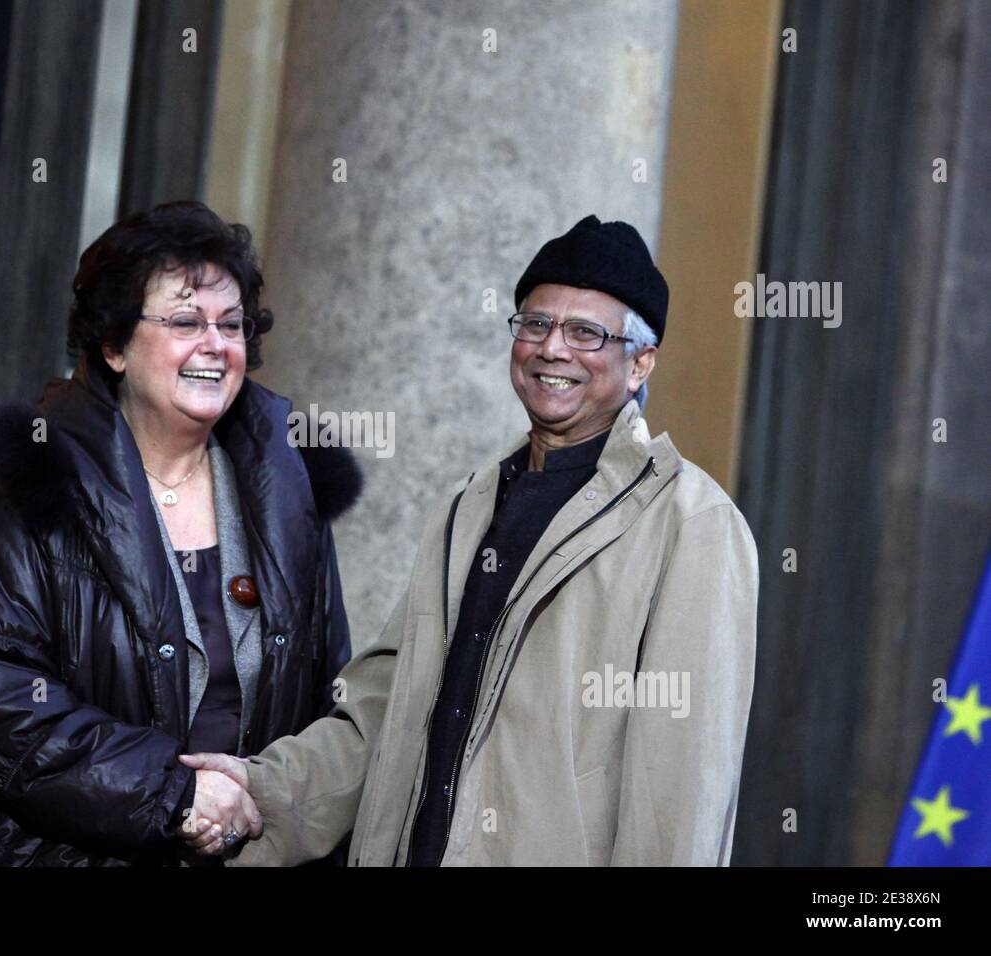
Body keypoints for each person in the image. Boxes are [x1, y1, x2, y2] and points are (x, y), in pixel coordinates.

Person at [185, 214, 759, 866]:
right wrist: (258, 790)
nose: (553, 349)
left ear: (640, 363)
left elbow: (678, 798)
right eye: (536, 324)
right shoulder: (468, 508)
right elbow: (382, 715)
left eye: (586, 333)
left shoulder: (691, 525)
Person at [0, 201, 359, 865]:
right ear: (115, 345)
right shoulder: (33, 486)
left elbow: (330, 706)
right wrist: (178, 795)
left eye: (233, 325)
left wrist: (265, 804)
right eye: (185, 321)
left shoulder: (288, 494)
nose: (215, 345)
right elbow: (4, 709)